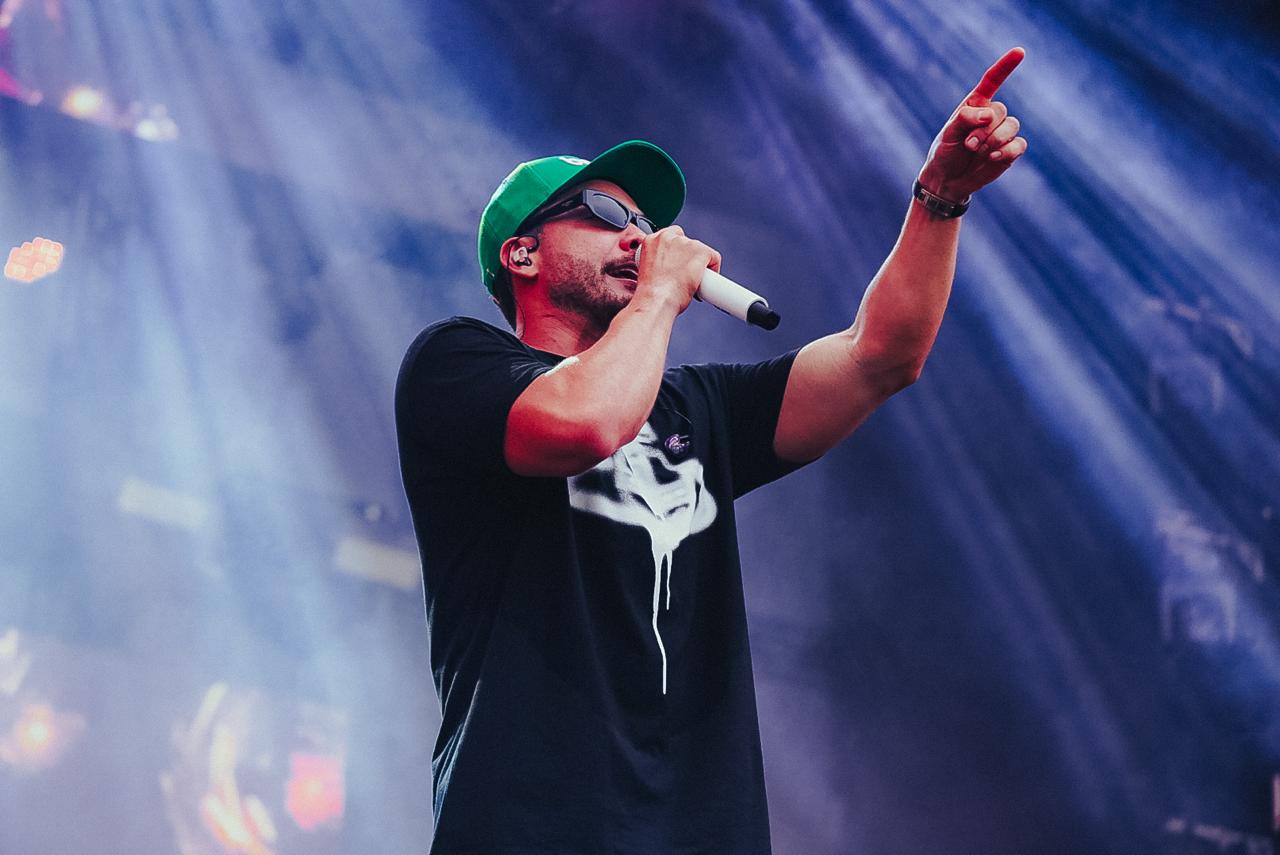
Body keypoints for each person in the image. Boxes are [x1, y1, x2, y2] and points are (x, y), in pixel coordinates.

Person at [395, 48, 1028, 855]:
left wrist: (940, 199)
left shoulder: (699, 408)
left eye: (647, 226)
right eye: (607, 213)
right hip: (530, 826)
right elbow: (581, 423)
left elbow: (880, 356)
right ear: (523, 254)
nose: (641, 237)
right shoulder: (456, 364)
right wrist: (662, 291)